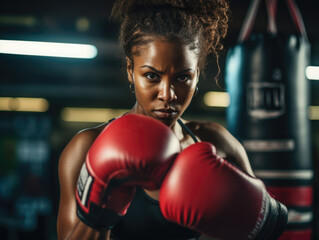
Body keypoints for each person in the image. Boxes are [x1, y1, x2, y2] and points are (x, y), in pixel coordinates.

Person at [57, 1, 287, 240]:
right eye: (152, 76)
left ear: (197, 75)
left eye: (183, 78)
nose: (168, 94)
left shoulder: (218, 143)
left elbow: (266, 226)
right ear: (129, 70)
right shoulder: (86, 147)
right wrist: (99, 213)